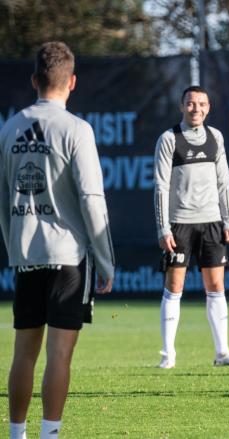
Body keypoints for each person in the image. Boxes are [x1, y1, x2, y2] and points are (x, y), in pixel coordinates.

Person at [0, 41, 115, 439]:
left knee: (22, 355)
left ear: (34, 80)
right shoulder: (77, 129)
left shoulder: (10, 127)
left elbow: (1, 198)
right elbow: (91, 199)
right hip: (68, 257)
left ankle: (16, 434)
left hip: (26, 254)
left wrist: (14, 246)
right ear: (73, 82)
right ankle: (50, 435)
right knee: (59, 354)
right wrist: (105, 259)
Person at [153, 85, 229, 369]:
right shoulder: (169, 138)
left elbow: (224, 183)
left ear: (209, 107)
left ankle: (223, 353)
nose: (196, 109)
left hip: (211, 223)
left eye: (202, 104)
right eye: (191, 104)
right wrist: (163, 229)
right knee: (175, 286)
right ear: (182, 106)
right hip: (179, 224)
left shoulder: (215, 137)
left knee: (216, 286)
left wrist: (228, 221)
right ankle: (168, 355)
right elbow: (160, 187)